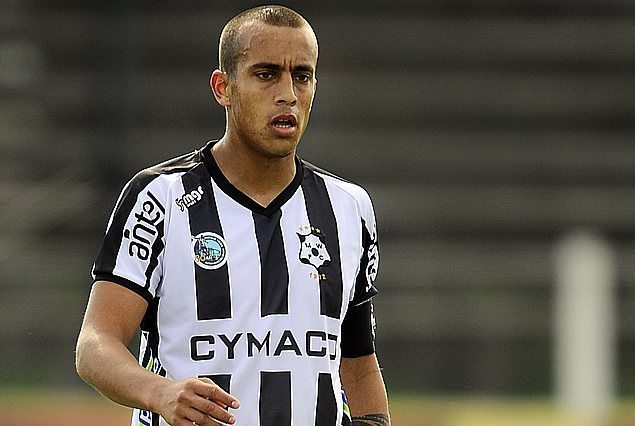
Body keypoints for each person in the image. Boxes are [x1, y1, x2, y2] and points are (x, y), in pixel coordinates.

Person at [75, 5, 390, 426]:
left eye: (302, 76)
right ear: (223, 87)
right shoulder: (160, 198)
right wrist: (161, 393)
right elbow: (95, 344)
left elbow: (359, 364)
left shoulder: (349, 207)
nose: (288, 94)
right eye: (266, 74)